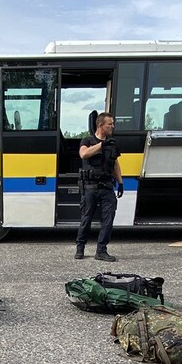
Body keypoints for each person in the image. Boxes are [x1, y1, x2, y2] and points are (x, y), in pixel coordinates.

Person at [75, 112, 123, 262]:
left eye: (113, 124)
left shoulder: (112, 143)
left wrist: (120, 182)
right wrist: (101, 145)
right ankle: (80, 247)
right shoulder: (88, 140)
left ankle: (101, 251)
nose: (112, 126)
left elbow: (115, 164)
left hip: (107, 186)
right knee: (86, 218)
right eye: (110, 124)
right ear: (101, 125)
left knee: (108, 219)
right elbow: (83, 154)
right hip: (90, 187)